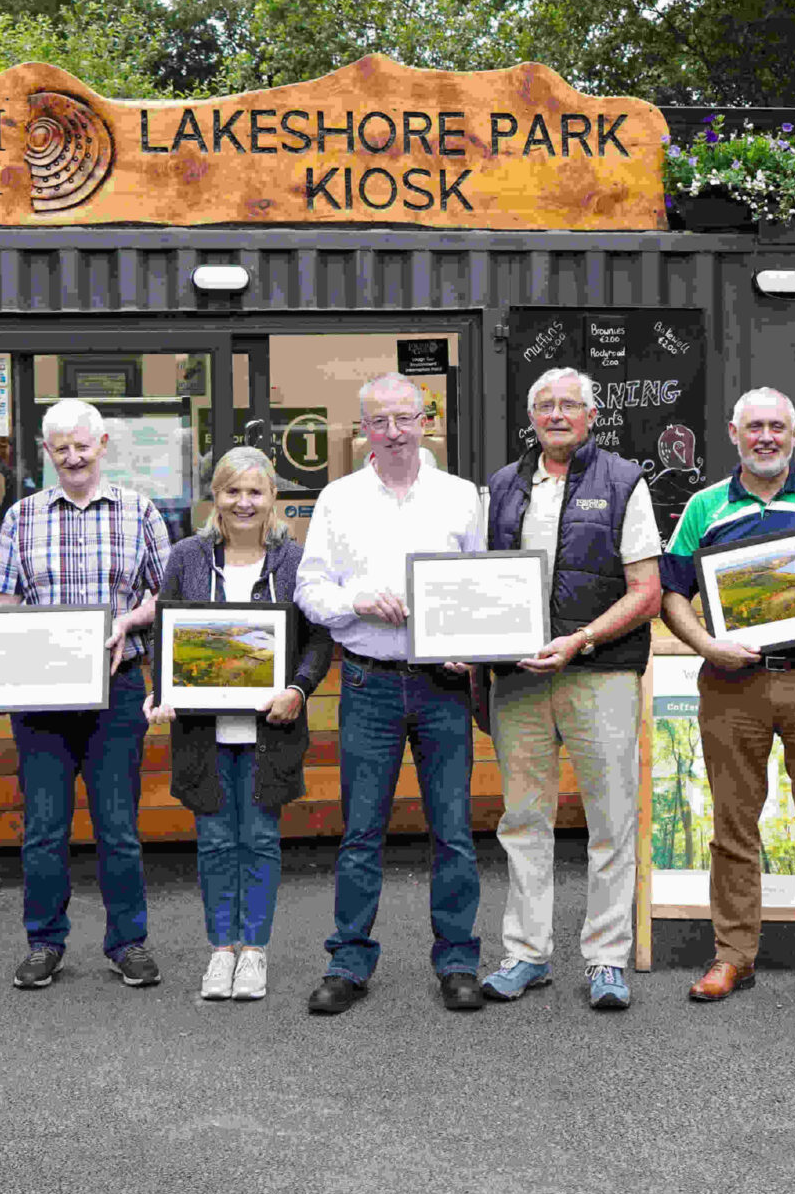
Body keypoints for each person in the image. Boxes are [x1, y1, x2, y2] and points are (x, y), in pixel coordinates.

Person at [659, 388, 795, 1010]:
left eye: (776, 427)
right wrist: (707, 644)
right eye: (754, 426)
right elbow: (672, 593)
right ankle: (732, 956)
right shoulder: (705, 506)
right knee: (731, 826)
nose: (765, 437)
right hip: (732, 684)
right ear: (733, 433)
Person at [295, 373, 489, 1015]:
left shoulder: (463, 498)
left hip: (441, 686)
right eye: (380, 421)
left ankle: (458, 959)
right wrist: (356, 601)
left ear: (425, 418)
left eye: (405, 418)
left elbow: (486, 588)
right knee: (362, 830)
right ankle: (348, 961)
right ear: (363, 429)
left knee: (454, 830)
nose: (395, 431)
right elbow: (309, 590)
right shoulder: (337, 499)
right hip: (368, 680)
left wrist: (472, 642)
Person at [478, 369, 662, 1011]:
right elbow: (478, 586)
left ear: (590, 415)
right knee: (524, 819)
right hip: (520, 680)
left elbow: (647, 591)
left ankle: (607, 958)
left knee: (611, 820)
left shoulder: (624, 481)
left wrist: (579, 640)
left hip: (599, 673)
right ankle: (526, 954)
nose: (557, 415)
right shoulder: (501, 487)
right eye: (545, 406)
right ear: (532, 417)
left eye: (569, 406)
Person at [0, 397, 171, 990]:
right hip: (41, 696)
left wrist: (129, 621)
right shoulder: (21, 516)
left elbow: (166, 595)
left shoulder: (140, 512)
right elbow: (6, 602)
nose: (72, 456)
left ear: (103, 447)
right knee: (44, 827)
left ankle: (128, 943)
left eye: (81, 446)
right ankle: (44, 942)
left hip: (116, 688)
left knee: (117, 826)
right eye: (59, 447)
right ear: (46, 452)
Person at [147, 446, 333, 1002]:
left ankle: (254, 951)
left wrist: (299, 689)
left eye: (255, 492)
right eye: (232, 491)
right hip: (203, 732)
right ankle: (219, 951)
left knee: (259, 839)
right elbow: (166, 632)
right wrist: (162, 690)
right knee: (215, 841)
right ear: (216, 498)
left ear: (273, 497)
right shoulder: (187, 556)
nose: (243, 502)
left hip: (269, 730)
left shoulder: (294, 562)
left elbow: (319, 639)